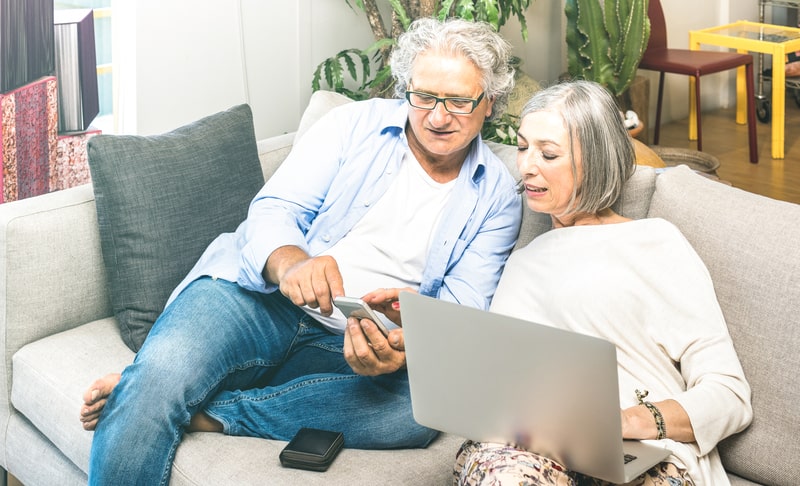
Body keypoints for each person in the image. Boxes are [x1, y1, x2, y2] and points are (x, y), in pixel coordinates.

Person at [79, 17, 522, 484]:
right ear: (406, 89)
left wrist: (407, 346)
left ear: (489, 103)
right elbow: (274, 209)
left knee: (416, 413)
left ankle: (208, 413)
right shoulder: (354, 125)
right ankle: (153, 392)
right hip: (256, 299)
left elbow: (464, 308)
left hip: (352, 343)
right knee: (160, 375)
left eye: (457, 102)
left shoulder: (496, 196)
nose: (436, 116)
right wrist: (293, 264)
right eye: (424, 97)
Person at [453, 80, 752, 486]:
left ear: (594, 160)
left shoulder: (655, 243)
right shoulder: (522, 261)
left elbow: (729, 394)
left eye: (549, 153)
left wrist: (631, 420)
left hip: (644, 455)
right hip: (530, 450)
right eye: (523, 147)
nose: (526, 165)